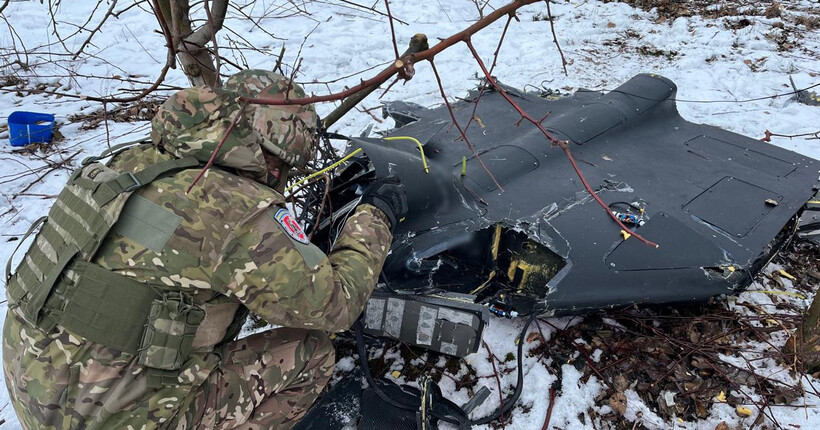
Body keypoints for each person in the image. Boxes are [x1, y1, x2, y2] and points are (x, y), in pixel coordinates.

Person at [3, 70, 406, 429]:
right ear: (277, 156)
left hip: (30, 383)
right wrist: (376, 217)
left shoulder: (129, 163)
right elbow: (334, 306)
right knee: (310, 352)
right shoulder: (237, 210)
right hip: (108, 416)